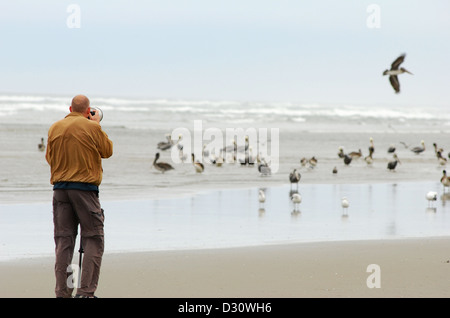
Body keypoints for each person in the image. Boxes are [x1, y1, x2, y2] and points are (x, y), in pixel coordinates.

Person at [46, 94, 113, 298]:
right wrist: (97, 124)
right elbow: (107, 151)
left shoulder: (54, 127)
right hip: (84, 189)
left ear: (69, 109)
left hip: (60, 189)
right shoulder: (93, 127)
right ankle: (86, 292)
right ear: (88, 111)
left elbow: (49, 157)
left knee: (64, 241)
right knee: (93, 237)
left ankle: (63, 292)